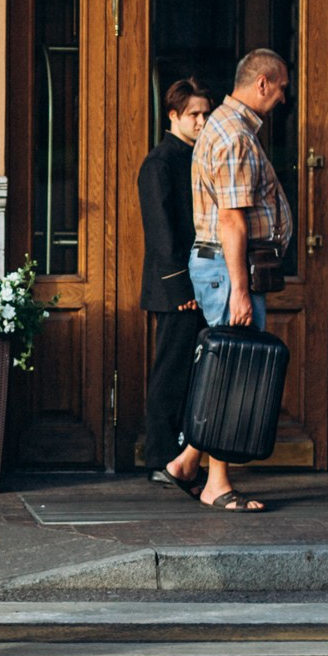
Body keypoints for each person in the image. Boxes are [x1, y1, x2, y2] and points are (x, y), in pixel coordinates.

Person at [175, 49, 294, 513]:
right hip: (229, 271)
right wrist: (240, 291)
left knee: (227, 363)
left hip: (227, 269)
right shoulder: (233, 135)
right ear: (262, 83)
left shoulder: (230, 127)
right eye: (281, 88)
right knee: (234, 370)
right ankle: (217, 485)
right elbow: (231, 220)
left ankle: (186, 463)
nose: (283, 98)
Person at [140, 78, 215, 482]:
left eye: (206, 113)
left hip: (199, 284)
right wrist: (181, 287)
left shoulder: (197, 156)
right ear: (173, 115)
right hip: (176, 289)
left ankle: (183, 458)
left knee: (192, 373)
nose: (202, 121)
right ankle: (159, 459)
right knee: (170, 373)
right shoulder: (159, 163)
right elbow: (161, 232)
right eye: (194, 114)